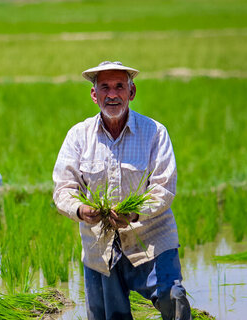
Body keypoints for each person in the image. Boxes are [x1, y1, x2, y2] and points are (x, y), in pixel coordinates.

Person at [52, 61, 191, 320]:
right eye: (105, 87)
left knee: (174, 299)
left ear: (132, 92)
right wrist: (81, 210)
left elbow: (164, 188)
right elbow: (63, 188)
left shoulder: (155, 133)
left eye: (119, 87)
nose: (112, 94)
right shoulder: (78, 136)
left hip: (152, 237)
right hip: (100, 246)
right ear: (94, 95)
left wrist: (135, 213)